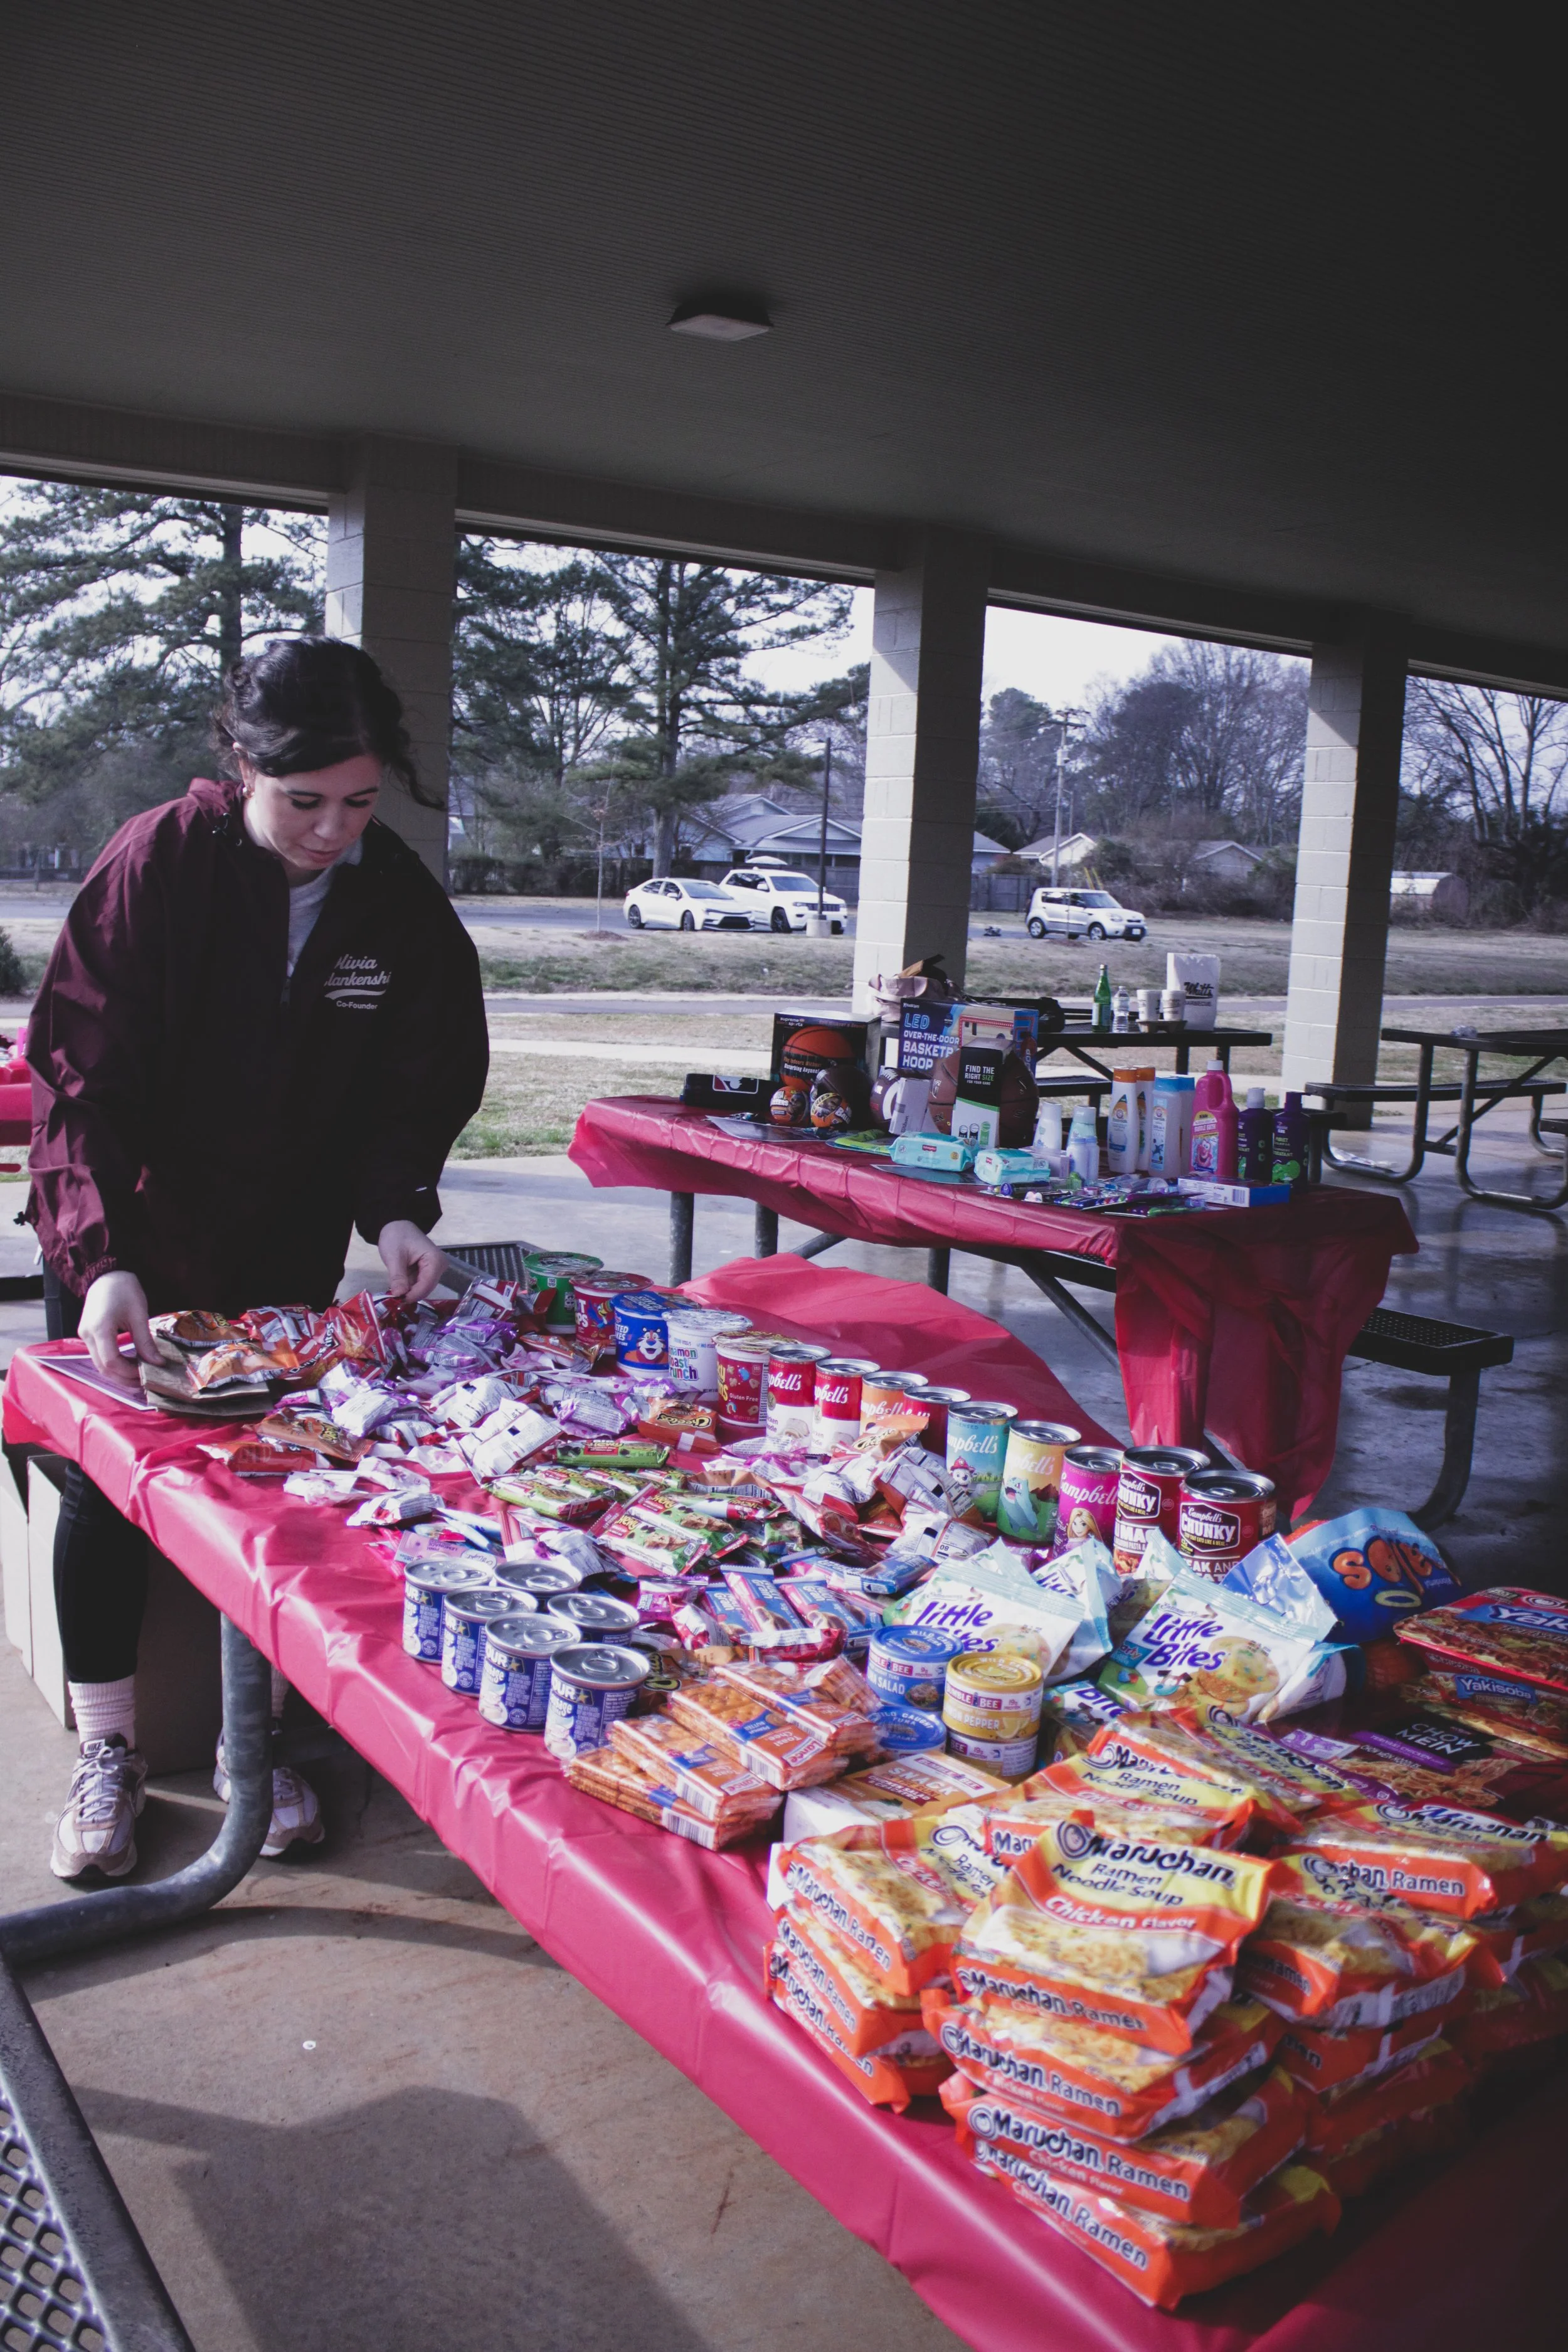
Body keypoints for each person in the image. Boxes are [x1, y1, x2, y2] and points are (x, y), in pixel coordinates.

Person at [25, 637, 488, 1879]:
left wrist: (395, 1211)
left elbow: (416, 1078)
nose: (332, 829)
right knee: (107, 1488)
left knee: (267, 1482)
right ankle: (111, 1753)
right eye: (304, 802)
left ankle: (251, 1740)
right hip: (124, 1222)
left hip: (279, 1237)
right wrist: (102, 1255)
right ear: (240, 764)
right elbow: (78, 1080)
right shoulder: (155, 868)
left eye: (358, 800)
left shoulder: (391, 900)